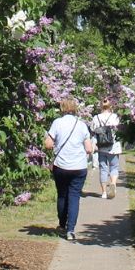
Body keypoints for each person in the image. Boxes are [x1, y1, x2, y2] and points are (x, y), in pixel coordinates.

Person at [44, 99, 93, 241]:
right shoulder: (82, 125)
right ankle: (70, 230)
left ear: (62, 108)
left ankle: (61, 225)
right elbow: (89, 148)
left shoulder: (57, 123)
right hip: (79, 167)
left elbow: (48, 145)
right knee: (74, 197)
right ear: (75, 109)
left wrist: (47, 138)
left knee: (62, 195)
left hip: (61, 166)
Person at [90, 99, 122, 199]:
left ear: (100, 106)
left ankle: (103, 192)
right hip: (114, 146)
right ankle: (113, 183)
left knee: (103, 169)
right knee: (114, 167)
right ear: (110, 106)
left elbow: (92, 129)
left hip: (101, 146)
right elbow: (119, 129)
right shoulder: (115, 117)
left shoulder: (96, 118)